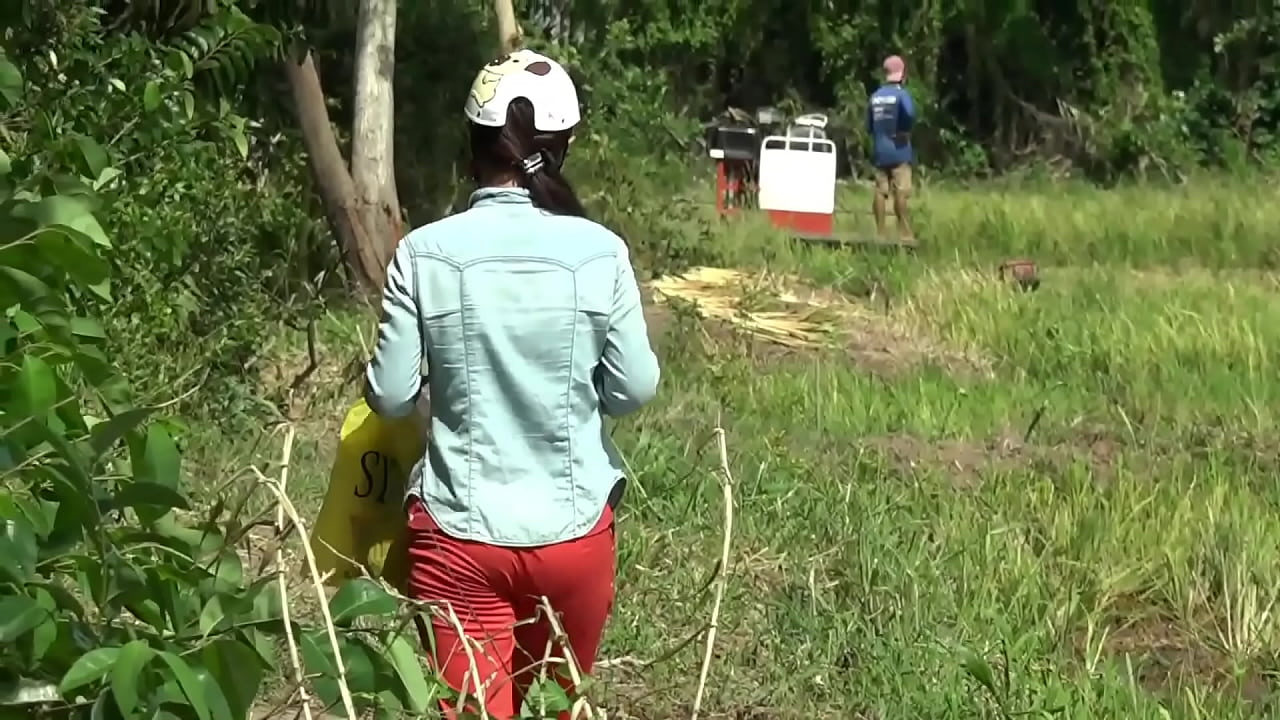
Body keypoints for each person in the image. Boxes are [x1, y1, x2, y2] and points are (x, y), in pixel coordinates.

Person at [363, 48, 661, 719]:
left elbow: (387, 394)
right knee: (560, 707)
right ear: (564, 148)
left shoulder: (422, 252)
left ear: (471, 145)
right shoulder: (601, 250)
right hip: (576, 536)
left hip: (459, 536)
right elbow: (633, 388)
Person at [867, 54, 917, 243]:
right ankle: (904, 232)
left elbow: (869, 126)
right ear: (902, 74)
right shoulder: (901, 94)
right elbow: (910, 113)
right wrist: (903, 129)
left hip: (880, 150)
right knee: (901, 191)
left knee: (880, 191)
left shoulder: (875, 97)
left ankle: (880, 232)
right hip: (899, 149)